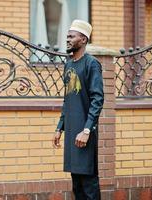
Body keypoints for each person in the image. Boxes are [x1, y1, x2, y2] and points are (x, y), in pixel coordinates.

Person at [52, 19, 104, 200]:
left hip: (85, 133)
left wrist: (87, 130)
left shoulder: (92, 64)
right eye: (67, 36)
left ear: (83, 39)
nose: (67, 39)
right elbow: (68, 99)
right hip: (72, 132)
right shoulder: (68, 64)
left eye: (71, 36)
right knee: (77, 185)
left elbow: (98, 99)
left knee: (89, 184)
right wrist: (60, 127)